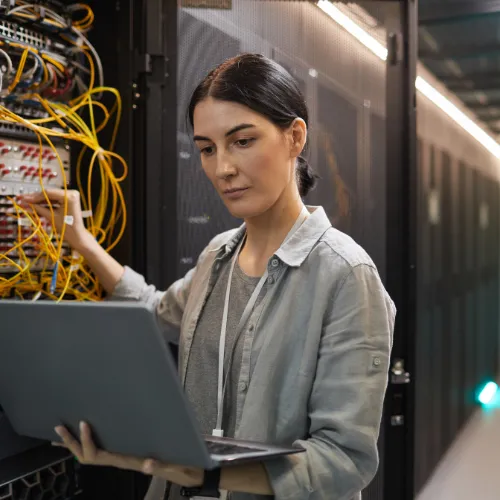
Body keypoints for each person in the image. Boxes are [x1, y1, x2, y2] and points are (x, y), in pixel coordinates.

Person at [18, 53, 395, 500]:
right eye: (207, 149)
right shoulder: (219, 255)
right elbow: (155, 312)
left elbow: (343, 461)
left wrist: (204, 474)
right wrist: (82, 242)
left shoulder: (346, 275)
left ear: (295, 137)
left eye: (242, 141)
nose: (222, 169)